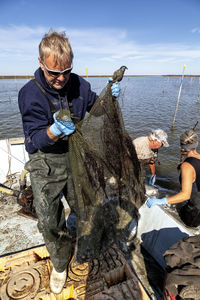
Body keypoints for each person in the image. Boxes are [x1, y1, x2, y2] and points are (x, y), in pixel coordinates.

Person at [18, 30, 120, 294]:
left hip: (76, 158)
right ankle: (61, 263)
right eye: (54, 73)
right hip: (46, 163)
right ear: (41, 63)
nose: (61, 79)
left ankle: (86, 245)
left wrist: (111, 95)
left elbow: (98, 109)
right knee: (50, 221)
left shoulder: (79, 85)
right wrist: (52, 131)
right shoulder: (29, 94)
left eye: (66, 71)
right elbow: (31, 142)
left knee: (86, 206)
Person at [147, 130, 200, 227]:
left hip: (195, 211)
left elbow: (185, 195)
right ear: (196, 144)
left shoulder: (187, 166)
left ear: (181, 146)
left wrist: (162, 201)